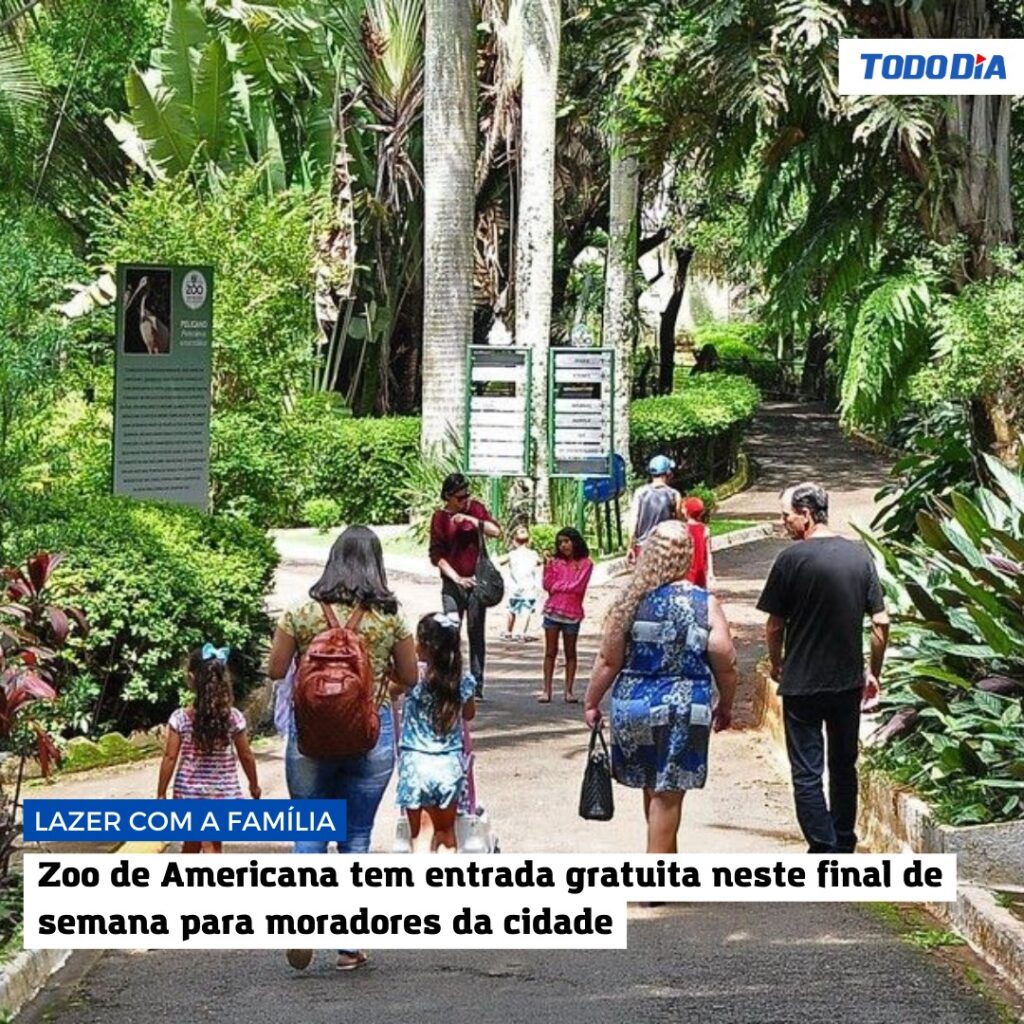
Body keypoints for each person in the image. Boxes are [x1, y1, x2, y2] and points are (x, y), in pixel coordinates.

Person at [268, 525, 418, 972]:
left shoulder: (300, 612)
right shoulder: (389, 617)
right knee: (355, 836)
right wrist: (375, 684)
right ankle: (349, 944)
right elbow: (410, 677)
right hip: (370, 735)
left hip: (310, 736)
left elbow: (275, 669)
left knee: (308, 831)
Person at [584, 520, 737, 854]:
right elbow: (725, 660)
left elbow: (608, 660)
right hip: (684, 707)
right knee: (667, 794)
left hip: (634, 705)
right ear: (687, 557)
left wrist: (591, 702)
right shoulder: (704, 603)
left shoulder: (629, 601)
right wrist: (726, 704)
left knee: (652, 786)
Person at [756, 482, 890, 854]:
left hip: (802, 683)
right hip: (846, 682)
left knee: (807, 772)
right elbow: (881, 622)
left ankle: (823, 847)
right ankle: (843, 842)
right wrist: (874, 671)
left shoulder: (790, 560)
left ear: (806, 515)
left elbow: (774, 625)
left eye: (786, 516)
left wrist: (778, 663)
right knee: (844, 765)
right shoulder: (859, 556)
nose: (783, 523)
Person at [156, 644, 260, 853]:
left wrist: (161, 793)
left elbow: (170, 757)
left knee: (194, 843)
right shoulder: (233, 717)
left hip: (189, 794)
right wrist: (254, 785)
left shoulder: (180, 718)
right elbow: (246, 755)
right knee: (212, 843)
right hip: (221, 794)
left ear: (192, 678)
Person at [396, 613, 477, 852]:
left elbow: (389, 688)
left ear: (424, 646)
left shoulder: (413, 677)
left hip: (415, 763)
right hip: (448, 764)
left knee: (420, 835)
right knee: (446, 833)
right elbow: (469, 714)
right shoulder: (462, 680)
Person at [429, 473, 501, 699]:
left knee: (476, 632)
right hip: (452, 584)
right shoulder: (440, 518)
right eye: (460, 498)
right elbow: (437, 556)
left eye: (466, 495)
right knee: (450, 632)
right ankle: (450, 680)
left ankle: (477, 684)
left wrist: (472, 520)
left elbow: (496, 531)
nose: (464, 500)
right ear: (448, 497)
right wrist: (457, 578)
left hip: (477, 582)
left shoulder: (475, 509)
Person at [540, 528, 594, 704]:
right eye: (560, 542)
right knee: (550, 652)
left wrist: (558, 586)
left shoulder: (586, 563)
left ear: (575, 542)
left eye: (566, 541)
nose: (563, 546)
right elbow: (547, 584)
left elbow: (578, 586)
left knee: (570, 652)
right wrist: (547, 568)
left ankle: (568, 690)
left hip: (572, 613)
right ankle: (546, 690)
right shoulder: (555, 563)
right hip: (552, 611)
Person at [626, 455, 682, 564]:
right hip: (666, 548)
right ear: (668, 473)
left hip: (643, 547)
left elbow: (633, 522)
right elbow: (678, 524)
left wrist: (630, 547)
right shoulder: (674, 495)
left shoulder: (640, 493)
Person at [500, 525, 541, 642]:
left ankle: (508, 632)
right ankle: (522, 633)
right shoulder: (533, 554)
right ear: (529, 541)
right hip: (529, 589)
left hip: (514, 589)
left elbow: (500, 562)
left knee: (511, 610)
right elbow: (539, 562)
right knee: (526, 611)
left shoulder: (512, 554)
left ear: (514, 541)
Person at [681, 496, 714, 590]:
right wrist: (710, 572)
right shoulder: (705, 529)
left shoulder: (683, 529)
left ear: (686, 512)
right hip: (701, 571)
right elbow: (708, 553)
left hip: (686, 571)